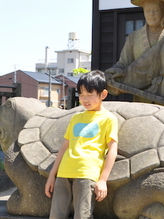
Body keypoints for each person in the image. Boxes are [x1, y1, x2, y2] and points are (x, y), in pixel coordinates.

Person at [44, 70, 118, 219]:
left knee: (82, 216)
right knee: (56, 216)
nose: (85, 99)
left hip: (87, 173)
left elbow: (112, 150)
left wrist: (103, 179)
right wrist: (52, 175)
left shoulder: (109, 119)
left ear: (103, 94)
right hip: (64, 172)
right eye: (81, 94)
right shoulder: (76, 118)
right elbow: (64, 147)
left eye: (90, 94)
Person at [105, 0, 164, 90]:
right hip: (141, 96)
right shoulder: (134, 37)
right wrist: (115, 71)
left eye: (156, 10)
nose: (151, 14)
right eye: (148, 10)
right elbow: (123, 63)